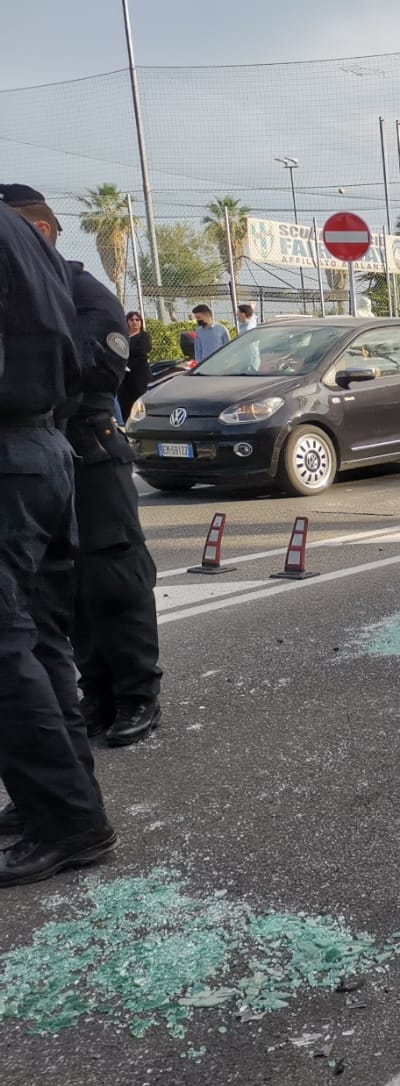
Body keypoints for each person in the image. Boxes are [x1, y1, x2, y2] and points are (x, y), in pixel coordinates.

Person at [4, 188, 163, 750]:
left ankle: (138, 694)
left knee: (114, 577)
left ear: (40, 233)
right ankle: (96, 692)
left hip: (88, 451)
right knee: (64, 591)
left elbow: (90, 372)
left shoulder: (81, 291)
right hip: (43, 455)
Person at [0, 196, 118, 886]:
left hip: (12, 452)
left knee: (9, 646)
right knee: (40, 635)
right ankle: (61, 796)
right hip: (42, 446)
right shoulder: (28, 236)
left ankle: (68, 820)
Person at [117, 311, 151, 424]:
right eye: (132, 320)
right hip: (124, 373)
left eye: (137, 320)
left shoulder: (144, 336)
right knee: (124, 400)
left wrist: (125, 351)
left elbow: (142, 350)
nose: (135, 322)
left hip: (139, 373)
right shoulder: (123, 337)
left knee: (139, 399)